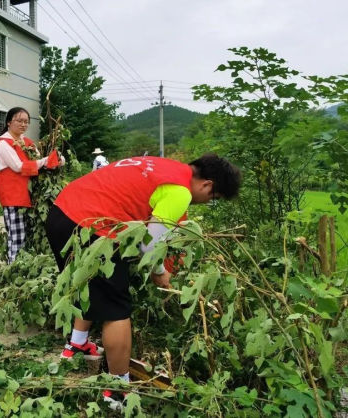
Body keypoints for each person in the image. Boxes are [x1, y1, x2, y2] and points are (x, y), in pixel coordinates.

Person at [45, 154, 241, 410]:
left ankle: (77, 344)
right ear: (207, 185)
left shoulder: (166, 168)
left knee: (90, 285)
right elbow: (148, 247)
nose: (206, 203)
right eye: (212, 199)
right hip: (92, 226)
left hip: (62, 214)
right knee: (116, 309)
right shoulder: (180, 192)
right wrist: (160, 272)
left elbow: (166, 229)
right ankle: (117, 392)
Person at [0, 107, 64, 264]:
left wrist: (55, 159)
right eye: (19, 121)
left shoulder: (28, 143)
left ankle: (27, 266)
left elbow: (40, 163)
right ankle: (14, 269)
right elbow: (19, 166)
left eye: (26, 122)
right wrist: (45, 161)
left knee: (31, 235)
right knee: (17, 237)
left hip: (32, 197)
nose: (23, 124)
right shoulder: (3, 144)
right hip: (14, 197)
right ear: (9, 122)